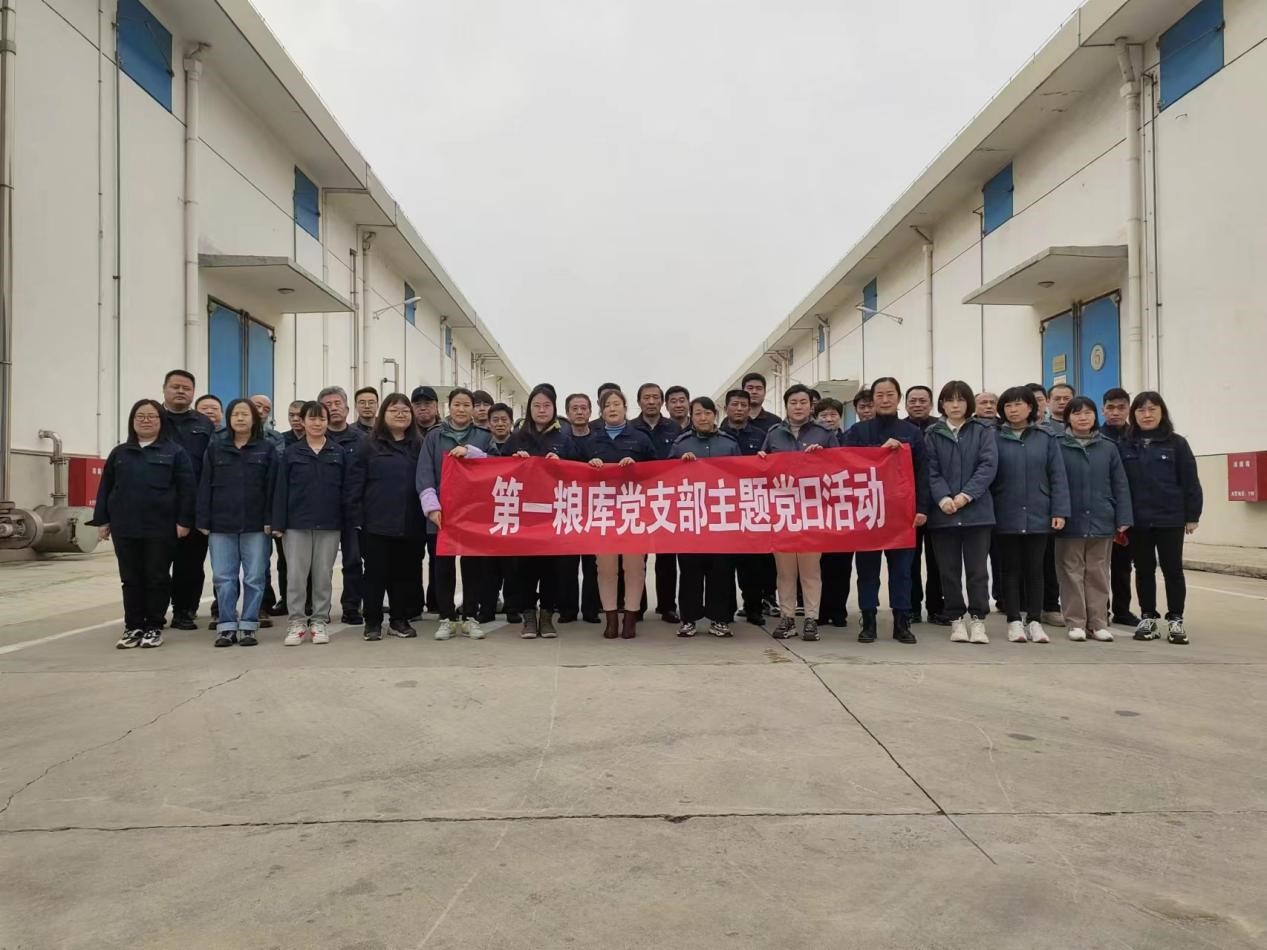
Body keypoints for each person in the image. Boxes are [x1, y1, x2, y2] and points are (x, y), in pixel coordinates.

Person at [91, 399, 195, 649]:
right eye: (140, 416)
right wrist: (103, 520)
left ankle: (154, 626)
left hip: (161, 527)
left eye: (152, 416)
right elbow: (106, 487)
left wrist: (184, 521)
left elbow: (187, 490)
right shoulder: (120, 453)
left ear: (161, 421)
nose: (146, 421)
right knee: (130, 578)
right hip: (125, 526)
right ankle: (133, 626)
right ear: (132, 421)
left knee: (156, 577)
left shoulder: (175, 452)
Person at [558, 388, 656, 639]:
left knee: (635, 567)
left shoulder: (641, 439)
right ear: (601, 412)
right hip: (602, 513)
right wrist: (590, 467)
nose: (612, 409)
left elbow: (657, 473)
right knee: (605, 567)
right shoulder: (592, 441)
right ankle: (611, 619)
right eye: (607, 405)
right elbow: (576, 477)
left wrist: (637, 468)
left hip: (634, 512)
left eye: (616, 404)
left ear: (625, 408)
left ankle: (630, 618)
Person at [844, 377, 930, 645]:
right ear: (872, 400)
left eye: (890, 394)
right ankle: (868, 621)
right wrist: (878, 453)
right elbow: (845, 465)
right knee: (867, 571)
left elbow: (923, 472)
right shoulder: (857, 431)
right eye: (879, 395)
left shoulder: (911, 432)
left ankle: (902, 623)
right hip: (867, 512)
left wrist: (922, 508)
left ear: (898, 398)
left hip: (901, 513)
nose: (884, 399)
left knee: (902, 571)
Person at [1119, 391, 1203, 645]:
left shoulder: (1176, 443)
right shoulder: (1126, 444)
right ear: (1134, 414)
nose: (1147, 415)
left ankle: (1176, 619)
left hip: (1170, 518)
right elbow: (1119, 484)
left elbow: (1190, 481)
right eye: (1141, 410)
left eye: (1152, 409)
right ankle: (1148, 618)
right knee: (1143, 569)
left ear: (1162, 412)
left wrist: (1192, 515)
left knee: (1172, 569)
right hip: (1138, 520)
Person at [417, 387, 497, 641]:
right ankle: (447, 618)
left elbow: (497, 466)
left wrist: (472, 452)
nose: (461, 409)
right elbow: (424, 472)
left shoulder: (483, 436)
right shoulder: (434, 436)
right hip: (442, 513)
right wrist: (431, 506)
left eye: (466, 405)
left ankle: (470, 616)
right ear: (448, 407)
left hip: (474, 513)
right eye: (457, 404)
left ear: (473, 409)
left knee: (473, 566)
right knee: (442, 566)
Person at [991, 386, 1070, 644]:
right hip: (1006, 512)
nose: (1013, 410)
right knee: (1010, 569)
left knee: (1036, 569)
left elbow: (1057, 475)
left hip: (1039, 512)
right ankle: (1014, 621)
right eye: (1008, 405)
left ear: (1030, 407)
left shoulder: (1045, 437)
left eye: (1018, 404)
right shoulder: (994, 437)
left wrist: (1059, 510)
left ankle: (1035, 620)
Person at [197, 398, 277, 647]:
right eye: (235, 414)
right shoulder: (216, 449)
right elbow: (204, 486)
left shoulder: (266, 449)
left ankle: (249, 625)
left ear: (254, 419)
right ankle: (227, 626)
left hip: (256, 525)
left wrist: (271, 520)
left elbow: (273, 488)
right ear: (228, 419)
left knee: (254, 577)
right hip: (221, 524)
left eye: (245, 414)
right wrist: (203, 518)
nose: (240, 418)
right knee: (223, 577)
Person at [760, 384, 836, 641]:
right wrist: (761, 460)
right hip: (781, 513)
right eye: (793, 402)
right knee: (785, 571)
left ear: (811, 405)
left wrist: (823, 458)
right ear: (786, 406)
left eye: (803, 402)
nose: (798, 407)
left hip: (813, 512)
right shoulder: (774, 434)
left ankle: (811, 619)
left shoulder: (824, 434)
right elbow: (763, 469)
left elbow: (840, 469)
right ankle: (787, 618)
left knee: (810, 570)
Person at [347, 393, 425, 641]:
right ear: (383, 414)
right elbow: (354, 483)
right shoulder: (368, 445)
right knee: (375, 574)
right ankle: (372, 622)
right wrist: (357, 518)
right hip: (375, 523)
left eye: (405, 410)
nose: (401, 414)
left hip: (411, 522)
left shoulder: (419, 445)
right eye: (394, 410)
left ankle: (399, 620)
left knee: (404, 574)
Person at [1055, 396, 1133, 643]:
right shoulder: (1057, 445)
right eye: (1077, 413)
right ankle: (1076, 622)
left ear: (1095, 416)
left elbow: (1120, 484)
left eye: (1087, 413)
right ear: (1068, 418)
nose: (1082, 417)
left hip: (1102, 518)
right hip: (1070, 519)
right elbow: (1053, 482)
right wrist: (1057, 512)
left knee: (1098, 572)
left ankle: (1098, 622)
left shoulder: (1108, 447)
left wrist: (1123, 516)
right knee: (1071, 572)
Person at [925, 381, 997, 644]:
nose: (955, 405)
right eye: (949, 400)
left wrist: (966, 495)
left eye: (961, 400)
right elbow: (930, 470)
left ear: (969, 403)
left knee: (977, 571)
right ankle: (956, 619)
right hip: (943, 514)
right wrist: (943, 498)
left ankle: (978, 620)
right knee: (949, 571)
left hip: (977, 512)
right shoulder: (933, 433)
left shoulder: (983, 431)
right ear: (942, 404)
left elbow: (988, 466)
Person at [272, 401, 350, 646]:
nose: (317, 423)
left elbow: (346, 490)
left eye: (322, 419)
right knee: (296, 575)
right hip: (296, 524)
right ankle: (296, 622)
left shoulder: (338, 452)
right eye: (312, 419)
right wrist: (278, 523)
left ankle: (319, 621)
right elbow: (280, 489)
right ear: (303, 421)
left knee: (323, 575)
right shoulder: (291, 453)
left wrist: (347, 521)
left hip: (329, 523)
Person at [670, 397, 741, 637]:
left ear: (715, 415)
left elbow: (743, 476)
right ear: (692, 417)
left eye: (707, 413)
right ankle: (688, 619)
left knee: (720, 571)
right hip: (691, 518)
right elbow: (665, 477)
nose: (703, 418)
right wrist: (681, 465)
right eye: (698, 413)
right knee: (690, 570)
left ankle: (719, 619)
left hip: (722, 517)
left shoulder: (729, 444)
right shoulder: (681, 444)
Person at [508, 385, 569, 638]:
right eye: (537, 406)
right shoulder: (517, 437)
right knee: (524, 568)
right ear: (529, 409)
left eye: (547, 405)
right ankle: (529, 616)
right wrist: (515, 461)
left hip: (554, 514)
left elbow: (581, 468)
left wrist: (562, 464)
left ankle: (547, 616)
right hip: (524, 515)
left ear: (554, 408)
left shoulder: (564, 437)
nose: (542, 410)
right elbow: (497, 466)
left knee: (552, 569)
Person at [160, 370, 215, 631]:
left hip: (194, 504)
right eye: (175, 387)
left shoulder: (203, 424)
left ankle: (184, 611)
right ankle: (154, 611)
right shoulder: (153, 418)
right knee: (156, 564)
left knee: (190, 564)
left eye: (186, 388)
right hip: (160, 504)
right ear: (164, 389)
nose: (181, 391)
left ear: (193, 392)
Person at [630, 383, 681, 624]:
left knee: (667, 558)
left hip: (666, 499)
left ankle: (667, 606)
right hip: (637, 499)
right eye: (646, 397)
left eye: (655, 397)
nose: (651, 402)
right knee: (636, 557)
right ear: (639, 402)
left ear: (662, 402)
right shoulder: (630, 428)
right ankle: (636, 606)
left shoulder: (674, 428)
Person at [720, 389, 768, 626]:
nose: (739, 409)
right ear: (726, 408)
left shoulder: (761, 436)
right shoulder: (717, 436)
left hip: (751, 507)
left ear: (750, 409)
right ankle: (726, 609)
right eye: (734, 404)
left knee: (752, 565)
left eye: (743, 405)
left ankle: (753, 608)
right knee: (725, 564)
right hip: (724, 508)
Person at [319, 385, 366, 626]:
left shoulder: (363, 439)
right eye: (328, 405)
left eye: (338, 403)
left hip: (353, 511)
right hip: (323, 511)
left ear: (347, 408)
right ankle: (319, 609)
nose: (334, 408)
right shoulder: (315, 439)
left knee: (353, 561)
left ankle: (351, 607)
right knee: (320, 565)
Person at [904, 385, 944, 625]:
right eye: (913, 401)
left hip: (939, 503)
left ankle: (937, 607)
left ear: (931, 403)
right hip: (909, 504)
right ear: (906, 404)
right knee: (910, 560)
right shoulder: (901, 430)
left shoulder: (941, 428)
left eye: (922, 400)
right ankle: (912, 608)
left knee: (937, 560)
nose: (917, 405)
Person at [1100, 387, 1139, 626]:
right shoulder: (1096, 436)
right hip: (1102, 510)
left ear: (1128, 409)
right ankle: (1100, 610)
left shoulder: (1137, 438)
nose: (1115, 412)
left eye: (1121, 407)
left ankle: (1122, 610)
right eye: (1110, 407)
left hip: (1129, 512)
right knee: (1098, 566)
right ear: (1103, 409)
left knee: (1123, 566)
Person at [559, 392, 597, 623]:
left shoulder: (600, 440)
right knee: (567, 564)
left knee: (592, 564)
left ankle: (592, 610)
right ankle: (568, 610)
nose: (580, 412)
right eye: (575, 408)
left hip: (594, 509)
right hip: (567, 508)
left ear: (590, 411)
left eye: (584, 408)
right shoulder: (559, 441)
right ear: (567, 413)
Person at [484, 402, 521, 625]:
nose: (500, 424)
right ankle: (487, 608)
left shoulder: (520, 445)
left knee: (513, 565)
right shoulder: (481, 447)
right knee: (488, 565)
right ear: (488, 424)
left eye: (504, 420)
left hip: (513, 512)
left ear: (511, 422)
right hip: (487, 514)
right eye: (495, 420)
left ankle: (513, 608)